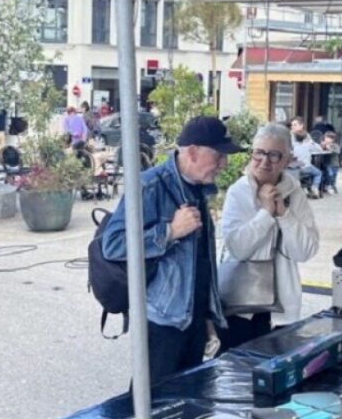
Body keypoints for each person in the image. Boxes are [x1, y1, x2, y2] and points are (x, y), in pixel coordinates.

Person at [101, 116, 243, 384]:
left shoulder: (200, 189)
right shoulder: (149, 185)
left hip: (194, 319)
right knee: (153, 402)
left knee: (186, 400)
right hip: (162, 320)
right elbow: (114, 244)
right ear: (192, 151)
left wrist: (208, 315)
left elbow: (200, 260)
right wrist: (170, 231)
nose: (224, 164)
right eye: (219, 155)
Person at [216, 124, 319, 351]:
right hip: (240, 307)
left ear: (288, 159)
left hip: (281, 310)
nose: (264, 161)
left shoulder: (294, 193)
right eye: (259, 153)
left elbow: (305, 251)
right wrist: (266, 213)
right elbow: (238, 249)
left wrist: (283, 212)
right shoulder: (238, 191)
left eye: (274, 155)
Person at [289, 117, 323, 198]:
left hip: (294, 166)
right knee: (316, 172)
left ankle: (306, 189)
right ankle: (314, 188)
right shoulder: (290, 136)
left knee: (305, 171)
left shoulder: (305, 135)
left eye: (295, 125)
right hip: (301, 166)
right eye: (292, 125)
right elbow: (316, 148)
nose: (292, 127)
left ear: (301, 126)